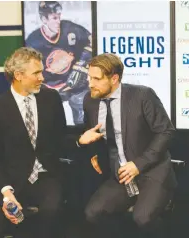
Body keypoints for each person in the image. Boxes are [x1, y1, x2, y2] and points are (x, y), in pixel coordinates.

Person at [76, 53, 177, 237]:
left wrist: (138, 164)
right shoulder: (90, 100)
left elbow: (166, 131)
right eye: (89, 77)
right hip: (120, 176)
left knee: (143, 218)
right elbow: (95, 134)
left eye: (96, 79)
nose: (90, 83)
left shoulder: (142, 95)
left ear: (114, 78)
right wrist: (93, 152)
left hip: (152, 171)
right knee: (93, 213)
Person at [0, 47, 67, 238]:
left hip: (46, 176)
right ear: (18, 75)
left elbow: (62, 136)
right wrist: (6, 193)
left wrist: (80, 140)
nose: (42, 77)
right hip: (11, 180)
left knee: (51, 214)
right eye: (36, 73)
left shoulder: (50, 98)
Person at [26, 1, 92, 125]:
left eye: (59, 16)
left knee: (83, 115)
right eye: (54, 18)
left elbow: (92, 40)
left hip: (74, 84)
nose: (58, 21)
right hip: (48, 88)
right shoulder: (33, 42)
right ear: (44, 19)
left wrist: (82, 64)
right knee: (47, 124)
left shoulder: (70, 29)